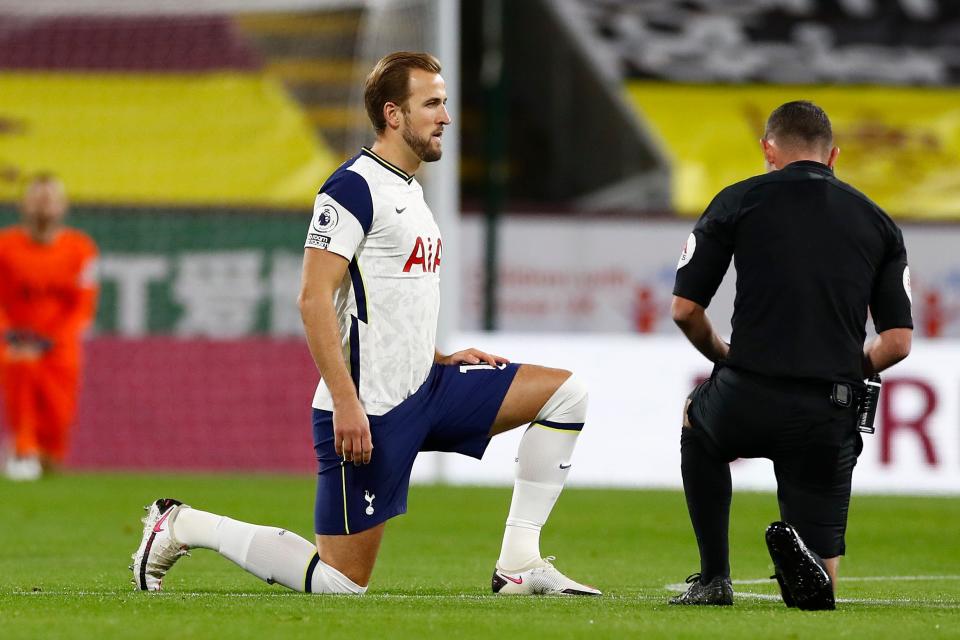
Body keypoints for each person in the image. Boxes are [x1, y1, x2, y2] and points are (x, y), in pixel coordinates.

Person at [131, 51, 600, 597]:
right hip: (368, 410)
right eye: (432, 103)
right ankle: (183, 525)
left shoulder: (409, 190)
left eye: (445, 102)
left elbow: (386, 301)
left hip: (430, 387)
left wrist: (437, 356)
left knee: (567, 394)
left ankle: (519, 564)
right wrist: (346, 402)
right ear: (393, 114)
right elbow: (312, 298)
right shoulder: (350, 189)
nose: (445, 116)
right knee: (342, 582)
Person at [668, 101, 912, 610]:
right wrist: (849, 366)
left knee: (697, 421)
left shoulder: (738, 200)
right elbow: (896, 344)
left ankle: (714, 578)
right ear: (834, 156)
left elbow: (685, 310)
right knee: (821, 573)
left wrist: (723, 356)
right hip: (830, 405)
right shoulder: (880, 223)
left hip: (748, 392)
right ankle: (816, 577)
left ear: (768, 150)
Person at [0, 174, 99, 481]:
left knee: (58, 422)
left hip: (60, 347)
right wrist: (11, 334)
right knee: (21, 379)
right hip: (15, 342)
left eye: (51, 197)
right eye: (37, 197)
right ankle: (22, 449)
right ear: (23, 204)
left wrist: (52, 339)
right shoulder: (5, 246)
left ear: (63, 206)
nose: (44, 204)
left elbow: (82, 305)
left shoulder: (80, 249)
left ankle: (43, 458)